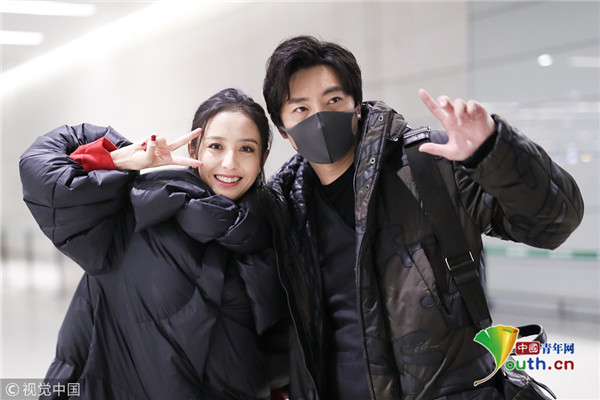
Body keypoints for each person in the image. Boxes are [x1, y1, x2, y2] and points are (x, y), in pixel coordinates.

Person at [262, 35, 584, 400]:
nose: (320, 118)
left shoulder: (428, 164)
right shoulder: (284, 214)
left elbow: (553, 223)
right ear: (283, 130)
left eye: (333, 100)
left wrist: (493, 153)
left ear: (357, 108)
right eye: (301, 109)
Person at [19, 88, 289, 399]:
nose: (229, 163)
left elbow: (278, 347)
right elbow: (43, 172)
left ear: (262, 157)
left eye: (246, 149)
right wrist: (119, 160)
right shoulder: (137, 207)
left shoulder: (271, 230)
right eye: (216, 146)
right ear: (194, 148)